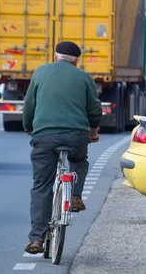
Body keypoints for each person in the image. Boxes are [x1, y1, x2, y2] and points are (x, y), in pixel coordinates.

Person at [22, 41, 102, 254]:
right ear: (76, 62)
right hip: (77, 136)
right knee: (78, 160)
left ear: (54, 57)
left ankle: (37, 239)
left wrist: (29, 127)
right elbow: (95, 111)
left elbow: (29, 104)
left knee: (41, 185)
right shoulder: (84, 77)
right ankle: (75, 196)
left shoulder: (40, 72)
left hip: (45, 137)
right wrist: (93, 134)